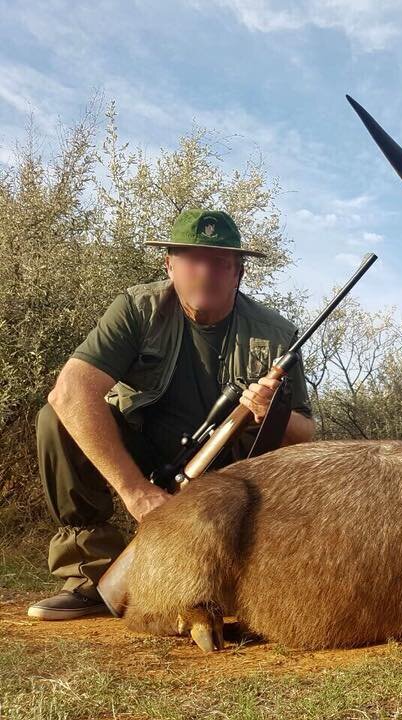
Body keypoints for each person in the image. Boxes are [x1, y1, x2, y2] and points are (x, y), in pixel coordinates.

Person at [27, 209, 316, 620]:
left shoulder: (277, 333)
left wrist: (274, 413)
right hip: (147, 455)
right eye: (191, 259)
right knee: (55, 422)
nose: (206, 272)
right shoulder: (135, 308)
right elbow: (70, 392)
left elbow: (305, 434)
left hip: (232, 470)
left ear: (239, 274)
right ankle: (89, 577)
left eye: (220, 263)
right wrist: (136, 492)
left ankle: (243, 581)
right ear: (169, 265)